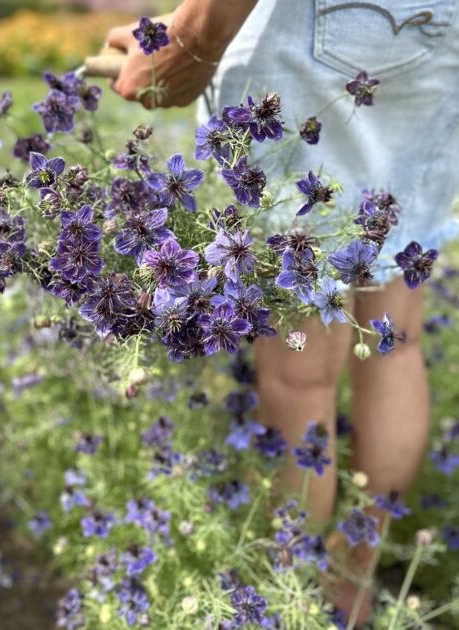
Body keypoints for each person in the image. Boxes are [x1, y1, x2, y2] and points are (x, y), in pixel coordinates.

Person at [106, 0, 459, 624]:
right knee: (394, 339)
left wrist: (190, 33)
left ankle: (293, 600)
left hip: (327, 23)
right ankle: (351, 584)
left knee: (301, 377)